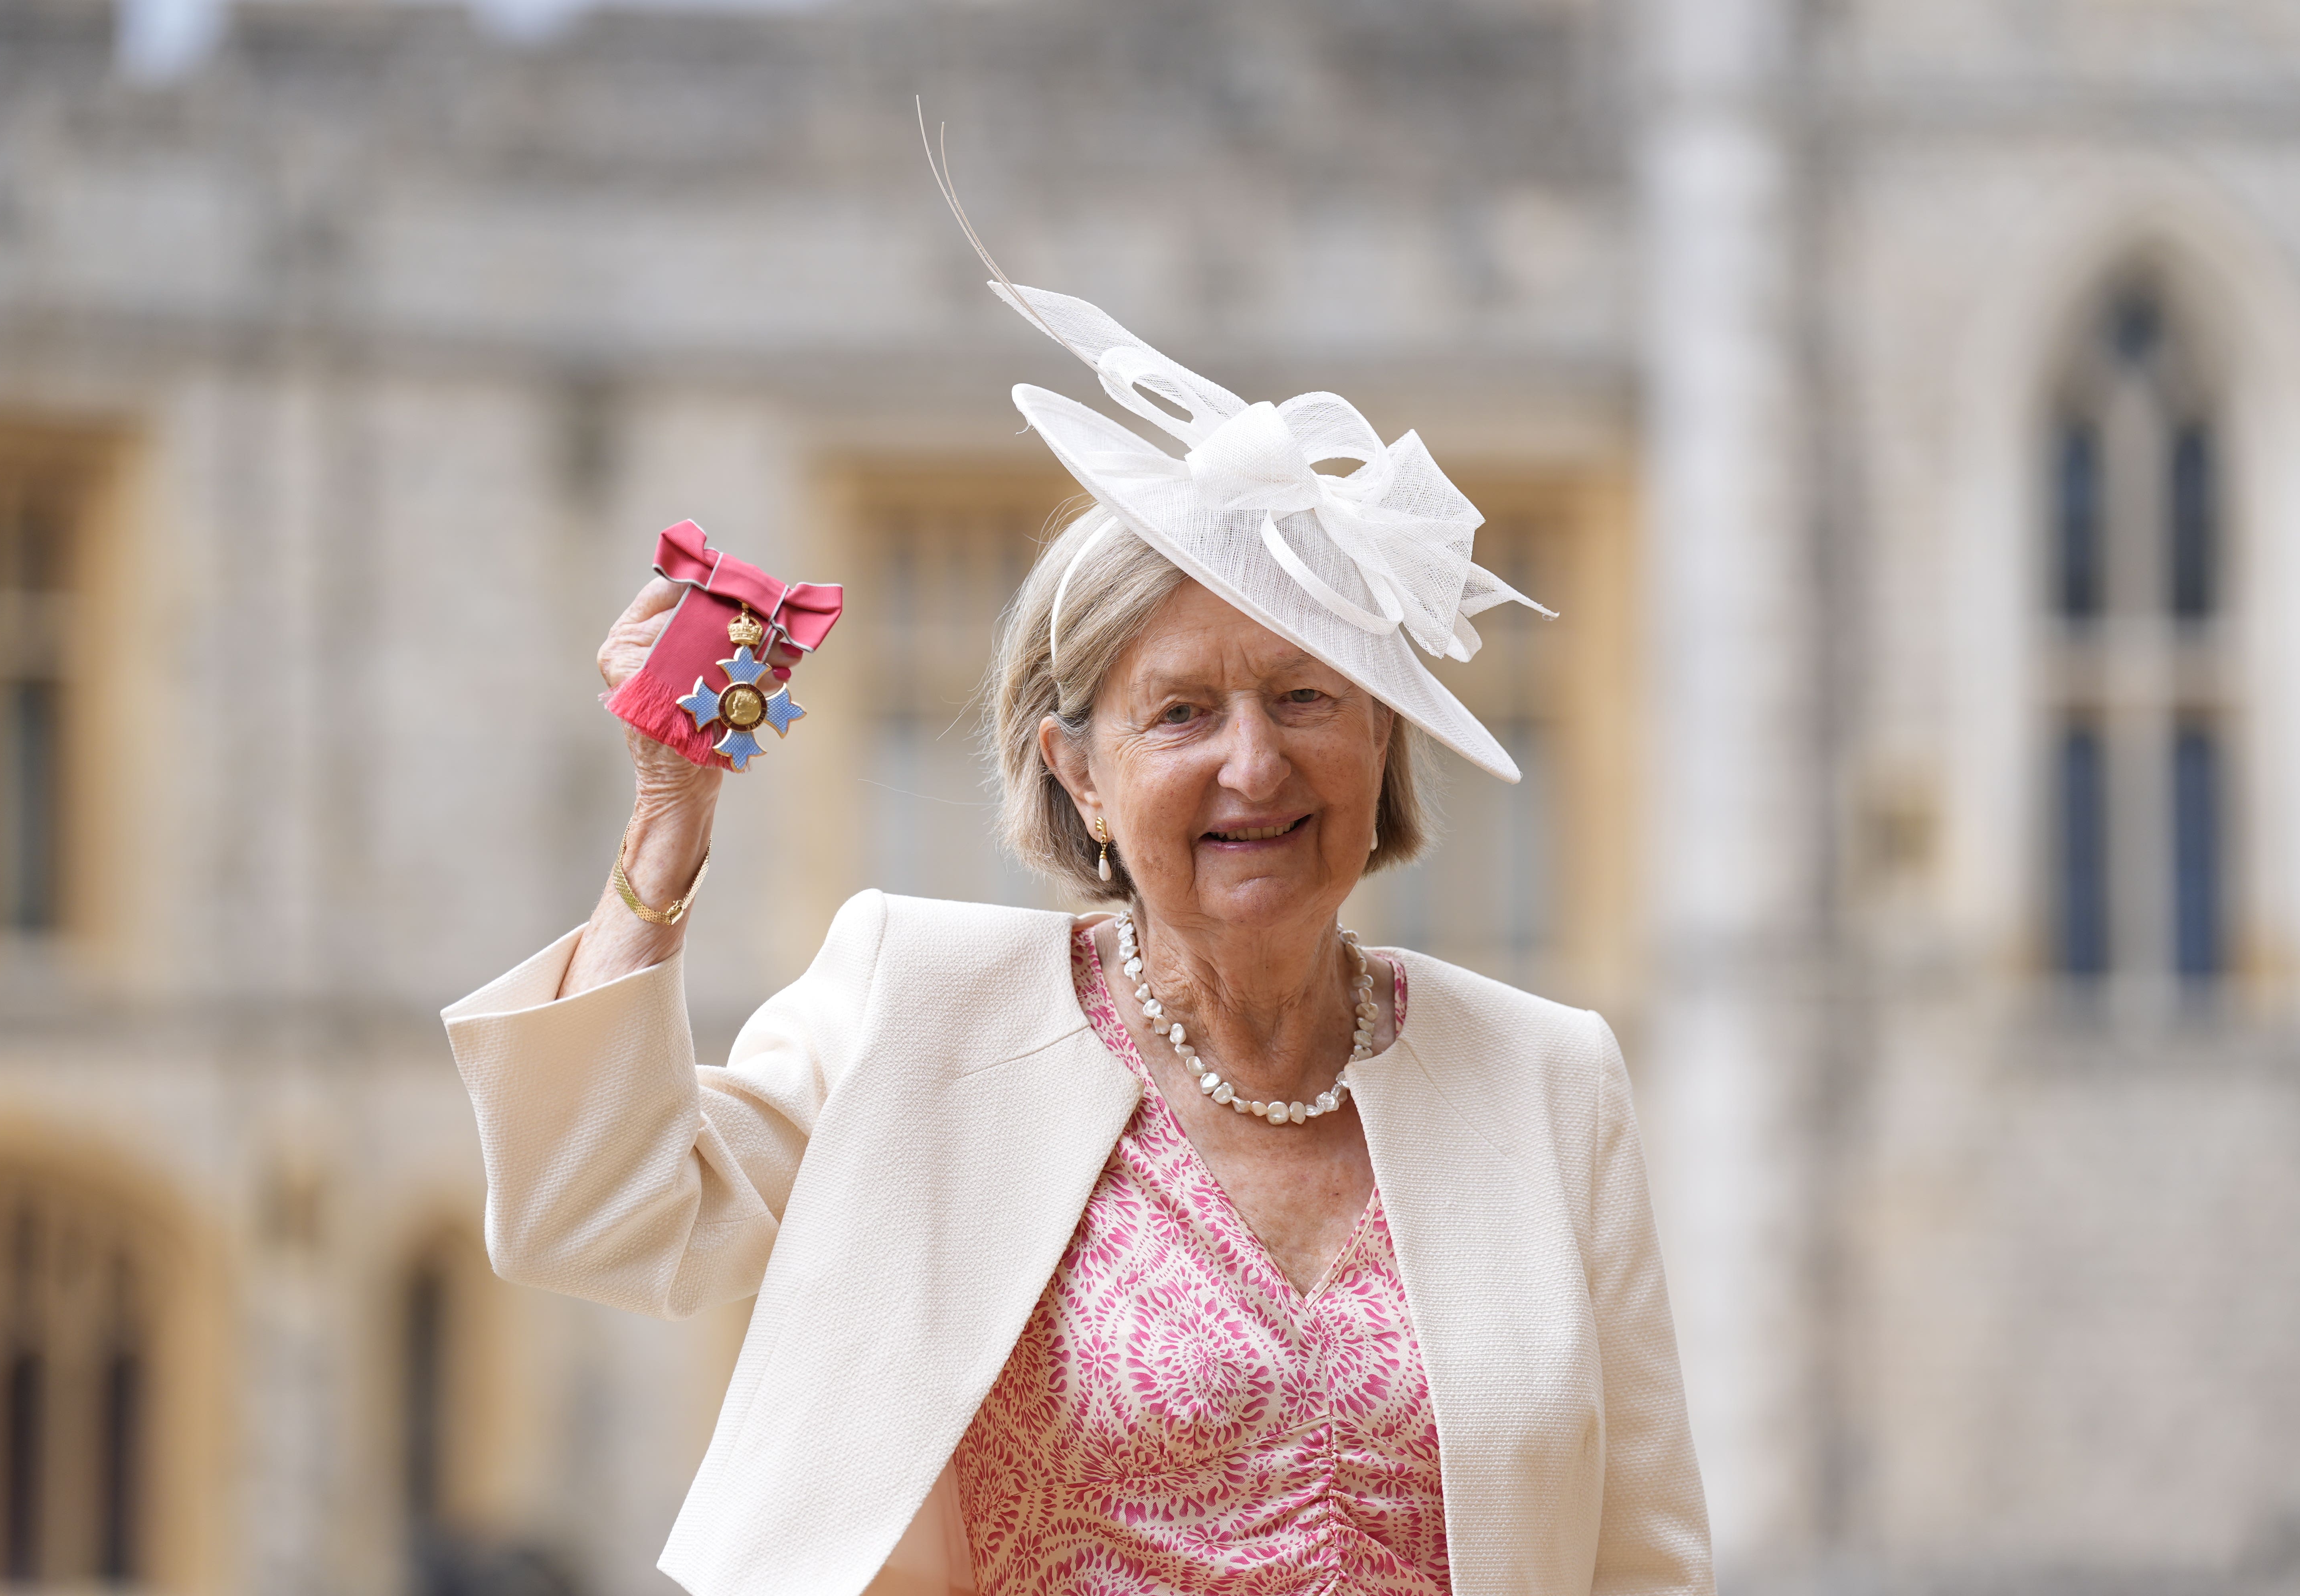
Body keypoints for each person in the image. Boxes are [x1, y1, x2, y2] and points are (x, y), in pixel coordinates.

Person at [443, 282, 1712, 1596]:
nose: (1255, 762)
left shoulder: (1552, 1080)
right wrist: (668, 820)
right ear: (1079, 774)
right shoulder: (919, 1012)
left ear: (1381, 738)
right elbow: (595, 1216)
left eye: (1305, 696)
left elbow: (1643, 1562)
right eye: (1180, 714)